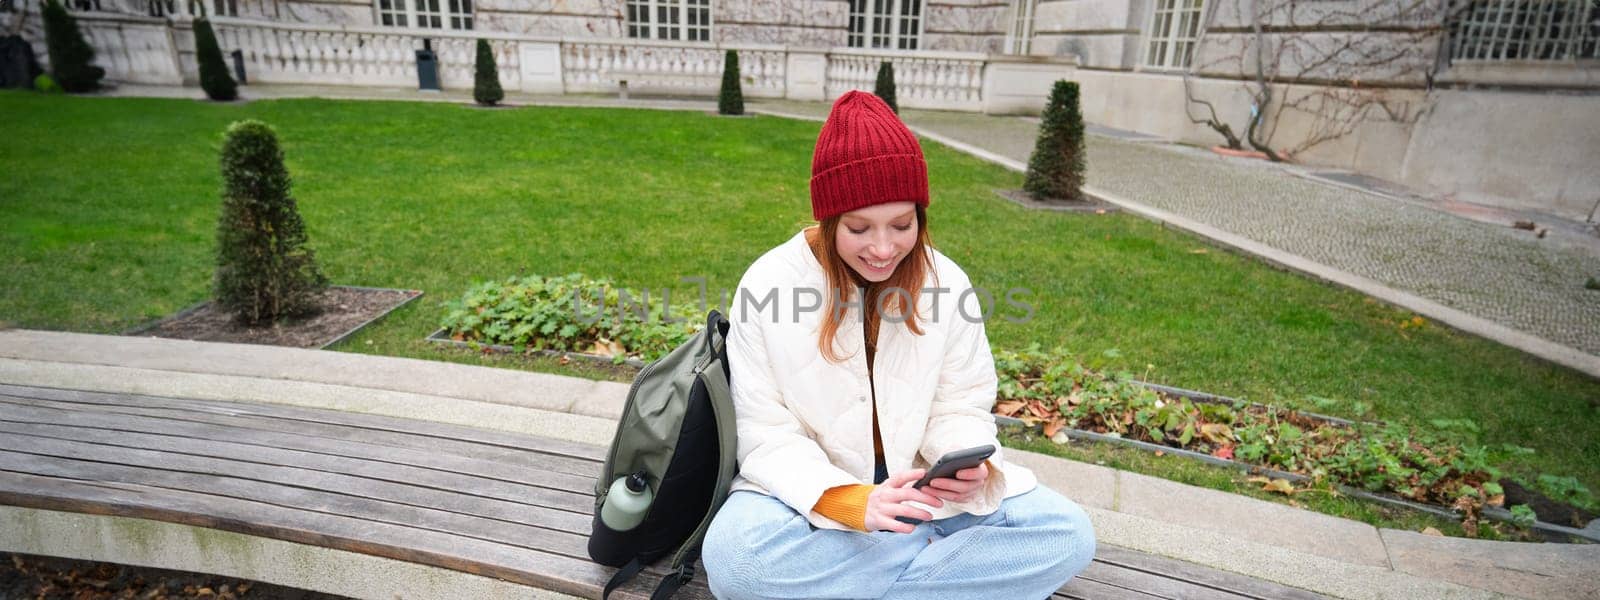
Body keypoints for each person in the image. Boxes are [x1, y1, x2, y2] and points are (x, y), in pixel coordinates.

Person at [701, 91, 1096, 600]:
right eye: (859, 228)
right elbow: (764, 434)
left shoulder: (946, 282)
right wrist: (847, 500)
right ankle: (948, 572)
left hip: (922, 491)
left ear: (920, 216)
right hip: (811, 493)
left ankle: (862, 576)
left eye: (902, 225)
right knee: (737, 564)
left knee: (1068, 535)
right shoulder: (768, 284)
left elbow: (962, 402)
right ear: (829, 219)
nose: (883, 249)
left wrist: (966, 467)